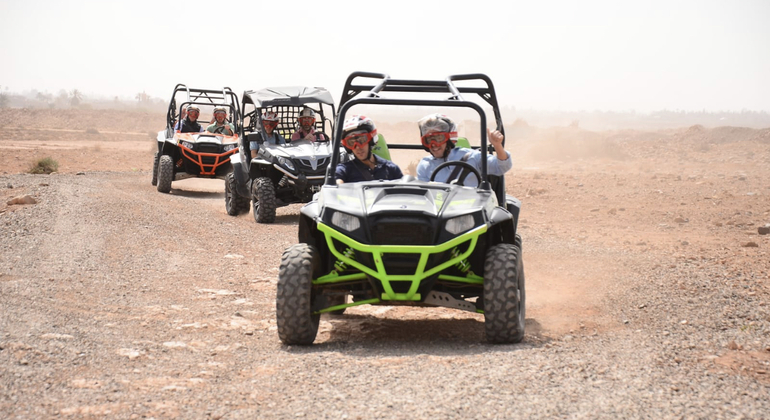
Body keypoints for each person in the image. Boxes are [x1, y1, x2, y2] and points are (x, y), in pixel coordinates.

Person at [415, 113, 511, 187]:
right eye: (429, 140)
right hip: (439, 211)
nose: (433, 144)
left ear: (449, 139)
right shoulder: (425, 165)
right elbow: (423, 195)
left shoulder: (471, 157)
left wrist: (497, 146)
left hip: (471, 210)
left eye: (439, 138)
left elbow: (501, 167)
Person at [335, 115, 403, 184]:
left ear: (371, 141)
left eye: (361, 140)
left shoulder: (391, 168)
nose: (357, 147)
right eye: (351, 143)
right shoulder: (344, 170)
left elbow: (403, 191)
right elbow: (337, 185)